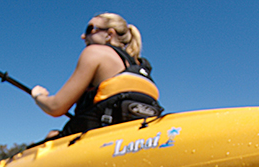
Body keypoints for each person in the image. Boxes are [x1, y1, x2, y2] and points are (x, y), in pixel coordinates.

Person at [31, 13, 162, 138]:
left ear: (109, 34)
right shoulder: (140, 67)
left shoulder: (95, 52)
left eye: (90, 29)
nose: (83, 36)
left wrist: (38, 95)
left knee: (51, 135)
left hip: (98, 139)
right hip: (136, 137)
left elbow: (55, 107)